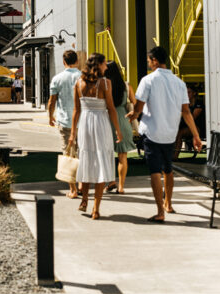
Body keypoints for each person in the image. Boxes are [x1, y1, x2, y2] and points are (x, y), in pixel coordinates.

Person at [127, 46, 203, 223]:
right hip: (170, 133)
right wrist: (196, 135)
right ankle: (168, 204)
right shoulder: (179, 83)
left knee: (155, 171)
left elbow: (138, 107)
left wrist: (133, 115)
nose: (148, 64)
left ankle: (160, 211)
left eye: (148, 61)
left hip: (152, 132)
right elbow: (186, 111)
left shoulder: (148, 80)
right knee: (168, 169)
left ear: (154, 60)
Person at [69, 53, 121, 220]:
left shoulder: (78, 83)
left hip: (84, 123)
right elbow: (112, 108)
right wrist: (118, 130)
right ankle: (96, 209)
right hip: (101, 124)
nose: (107, 66)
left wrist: (72, 133)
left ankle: (84, 199)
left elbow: (76, 111)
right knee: (101, 163)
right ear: (99, 65)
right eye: (105, 63)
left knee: (86, 160)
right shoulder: (105, 83)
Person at [48, 50, 82, 199]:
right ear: (77, 61)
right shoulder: (83, 77)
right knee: (82, 152)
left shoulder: (57, 78)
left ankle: (73, 189)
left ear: (64, 62)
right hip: (82, 121)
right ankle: (81, 184)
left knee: (68, 152)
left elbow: (52, 101)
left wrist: (50, 116)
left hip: (64, 120)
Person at [103, 61, 136, 194]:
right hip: (123, 119)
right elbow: (135, 103)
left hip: (106, 120)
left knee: (107, 155)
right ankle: (121, 186)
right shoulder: (126, 86)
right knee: (123, 156)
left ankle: (111, 181)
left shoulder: (103, 86)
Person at [173, 84, 205, 159]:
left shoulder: (198, 104)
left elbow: (192, 118)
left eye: (189, 92)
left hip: (198, 128)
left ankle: (175, 156)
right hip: (186, 127)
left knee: (179, 133)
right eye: (185, 93)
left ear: (194, 93)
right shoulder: (185, 104)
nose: (186, 94)